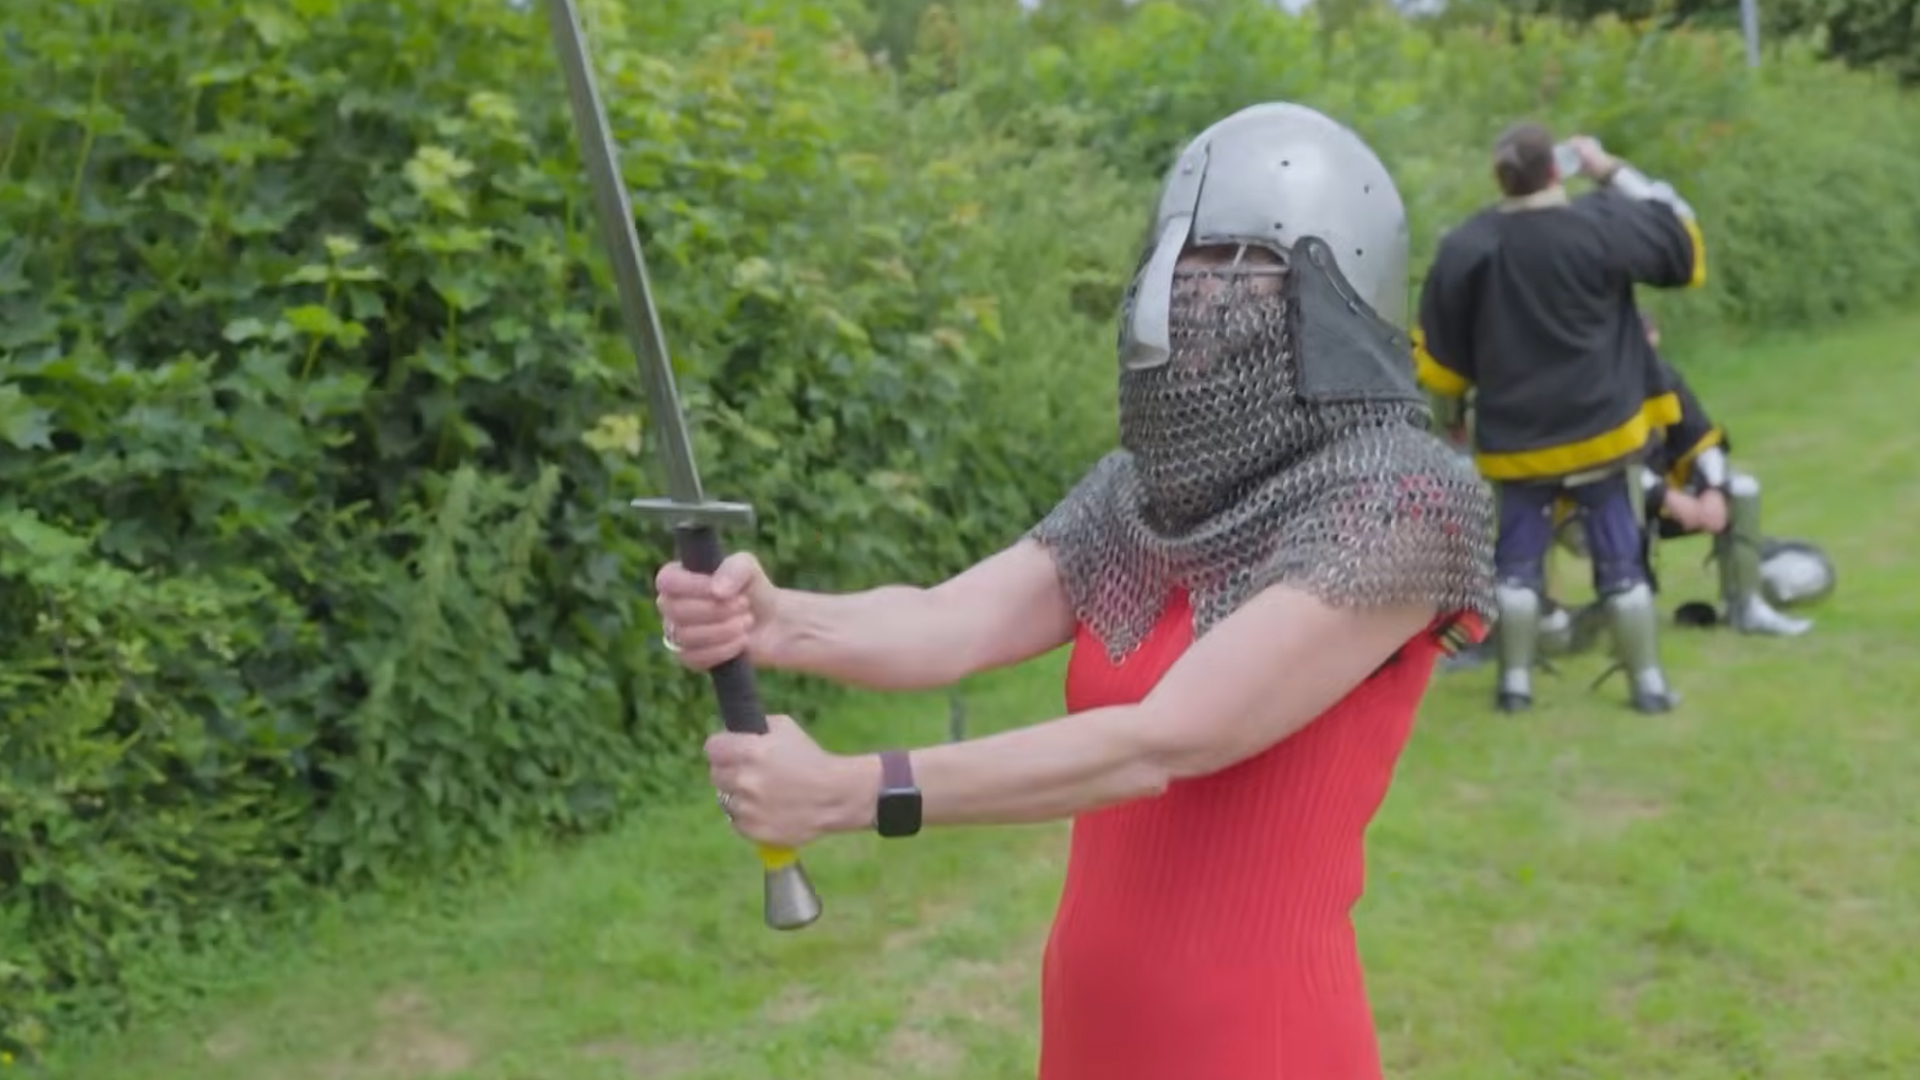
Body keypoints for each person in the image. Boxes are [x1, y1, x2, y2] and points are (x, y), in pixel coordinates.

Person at [655, 102, 1494, 1080]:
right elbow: (945, 621)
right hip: (1093, 1026)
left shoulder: (1405, 501)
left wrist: (848, 791)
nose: (1189, 291)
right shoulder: (1142, 496)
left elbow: (1166, 740)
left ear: (1337, 284)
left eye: (1233, 260)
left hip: (1257, 1039)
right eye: (1178, 258)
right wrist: (778, 619)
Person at [1414, 122, 1706, 714]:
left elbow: (1440, 359)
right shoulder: (1601, 224)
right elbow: (1680, 240)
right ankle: (1647, 685)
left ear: (1500, 177)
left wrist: (1450, 421)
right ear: (1557, 169)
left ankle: (1514, 686)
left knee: (1517, 564)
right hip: (1605, 437)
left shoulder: (1469, 244)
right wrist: (1608, 168)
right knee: (1620, 562)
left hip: (1515, 446)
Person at [1550, 313, 1826, 637]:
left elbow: (1701, 439)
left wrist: (1712, 490)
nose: (1647, 362)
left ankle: (1746, 606)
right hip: (1588, 512)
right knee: (1623, 513)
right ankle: (1613, 609)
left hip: (1657, 500)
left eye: (1652, 351)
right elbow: (1605, 466)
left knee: (1741, 488)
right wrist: (1669, 498)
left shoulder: (1662, 379)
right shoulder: (1583, 392)